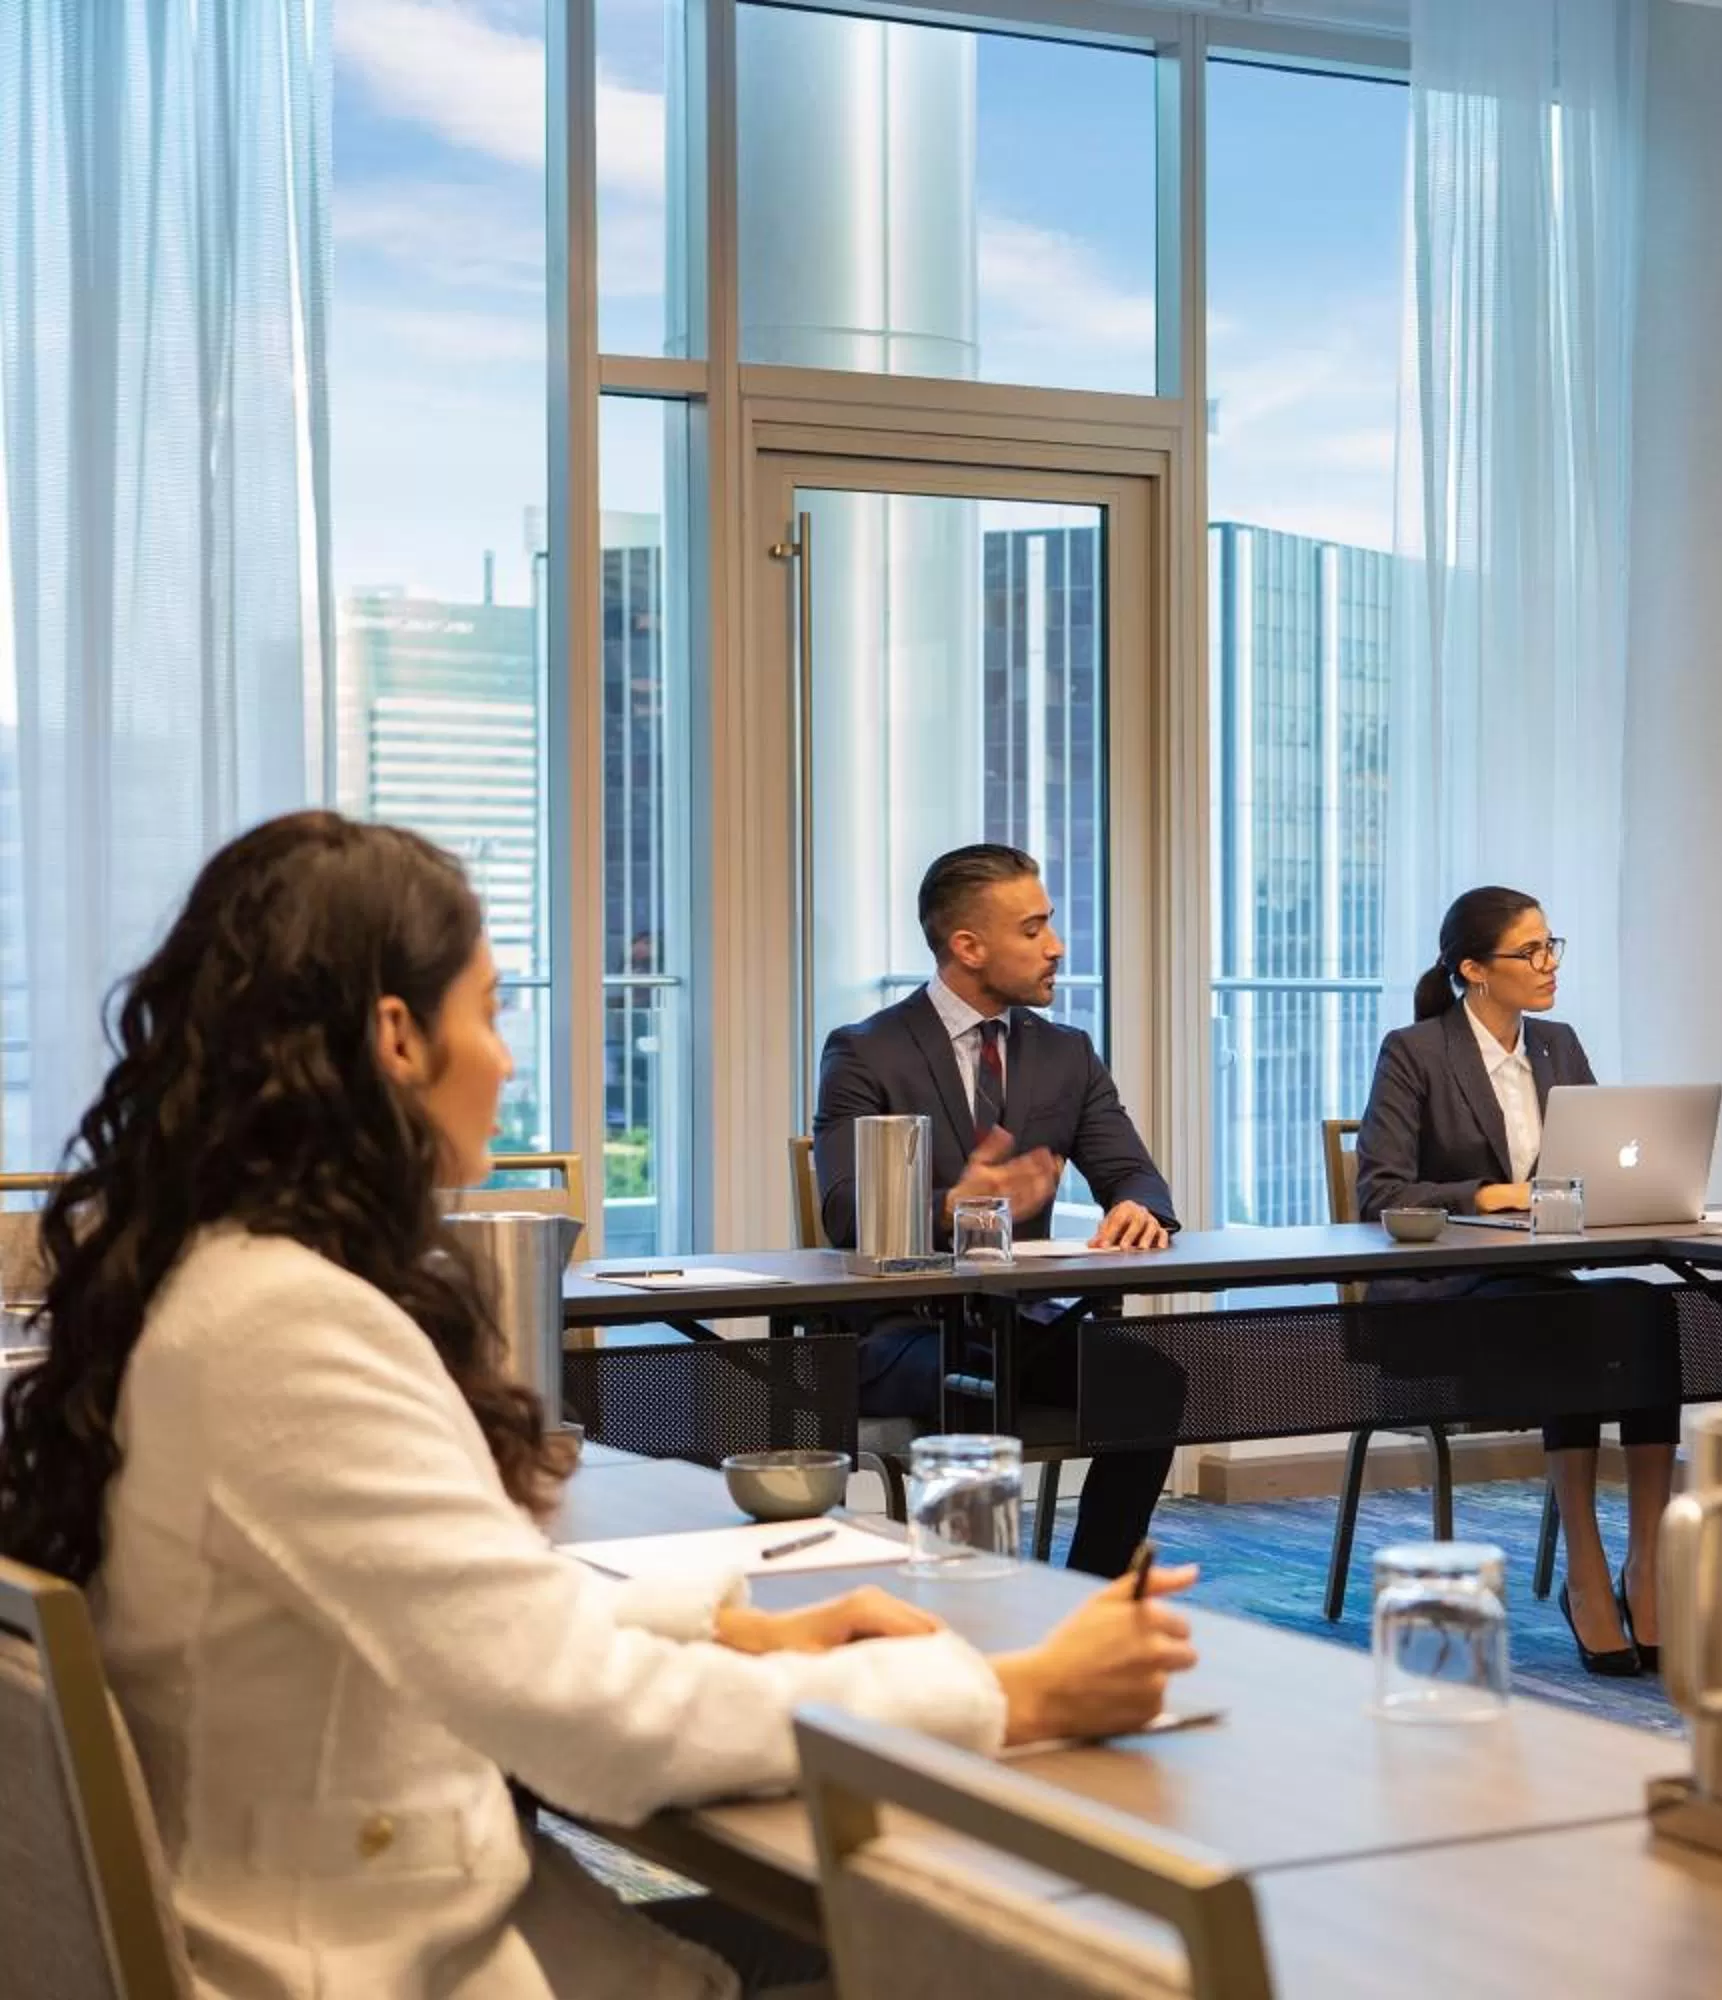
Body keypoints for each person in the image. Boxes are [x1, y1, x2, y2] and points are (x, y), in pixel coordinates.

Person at [0, 812, 1199, 1999]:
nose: (509, 1060)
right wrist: (1008, 1693)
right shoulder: (289, 1330)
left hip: (367, 1914)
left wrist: (743, 1625)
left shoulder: (209, 1287)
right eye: (492, 1008)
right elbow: (604, 1730)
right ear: (397, 1037)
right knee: (1035, 1964)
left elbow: (458, 1605)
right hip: (383, 1960)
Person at [813, 842, 1186, 1577]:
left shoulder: (1066, 1053)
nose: (1056, 947)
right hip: (901, 1332)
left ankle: (1087, 1593)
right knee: (974, 1382)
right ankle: (974, 1601)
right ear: (968, 946)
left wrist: (1140, 1210)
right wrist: (952, 1204)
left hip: (1022, 1324)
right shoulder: (865, 1052)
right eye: (1033, 929)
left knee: (1154, 1380)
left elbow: (1135, 1174)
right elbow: (845, 1214)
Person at [1354, 888, 1683, 1675]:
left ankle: (1648, 1560)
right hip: (1444, 1300)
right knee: (1577, 1324)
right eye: (1529, 952)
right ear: (1473, 969)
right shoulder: (1416, 1051)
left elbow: (1599, 1157)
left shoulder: (1558, 1046)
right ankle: (1587, 1567)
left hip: (1541, 1280)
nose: (1548, 966)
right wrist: (1482, 1195)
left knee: (1649, 1311)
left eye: (1551, 948)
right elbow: (1381, 1190)